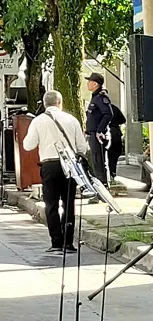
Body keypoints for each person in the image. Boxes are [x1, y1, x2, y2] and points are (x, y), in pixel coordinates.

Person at [22, 90, 88, 253]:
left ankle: (56, 242)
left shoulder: (38, 121)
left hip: (49, 165)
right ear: (60, 102)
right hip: (69, 165)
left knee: (50, 204)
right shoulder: (71, 120)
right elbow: (82, 147)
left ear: (45, 104)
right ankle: (68, 242)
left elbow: (27, 145)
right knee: (68, 203)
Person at [84, 72, 115, 186]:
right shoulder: (95, 97)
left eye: (90, 81)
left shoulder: (100, 97)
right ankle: (100, 186)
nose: (88, 83)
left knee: (99, 162)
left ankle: (102, 187)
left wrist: (99, 130)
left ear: (95, 84)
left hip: (99, 135)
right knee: (96, 162)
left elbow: (108, 114)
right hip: (93, 134)